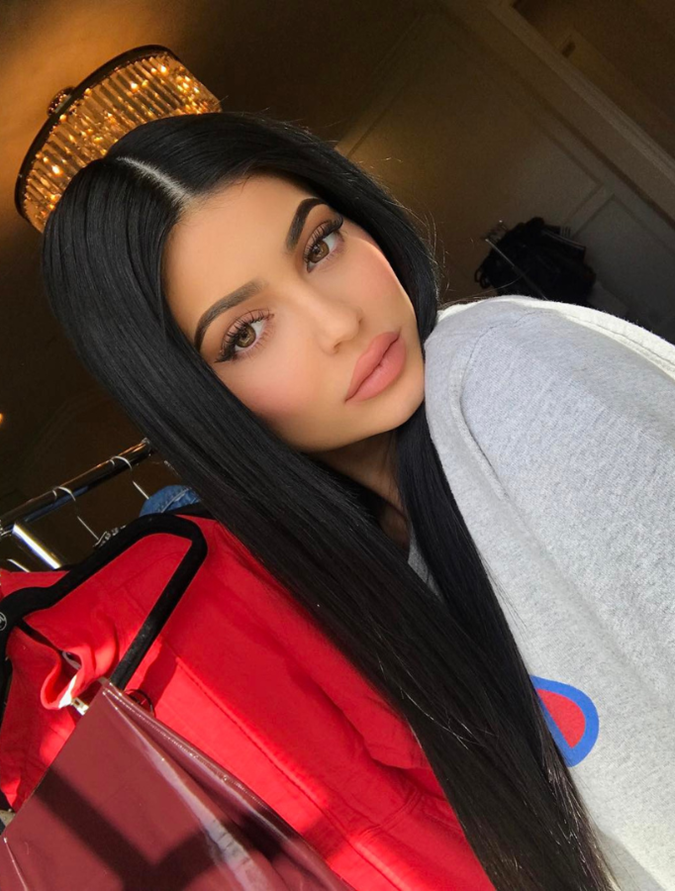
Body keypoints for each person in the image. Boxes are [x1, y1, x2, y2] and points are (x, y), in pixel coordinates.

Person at [38, 110, 675, 890]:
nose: (339, 322)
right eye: (246, 332)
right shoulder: (353, 583)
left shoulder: (500, 374)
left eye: (319, 245)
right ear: (197, 402)